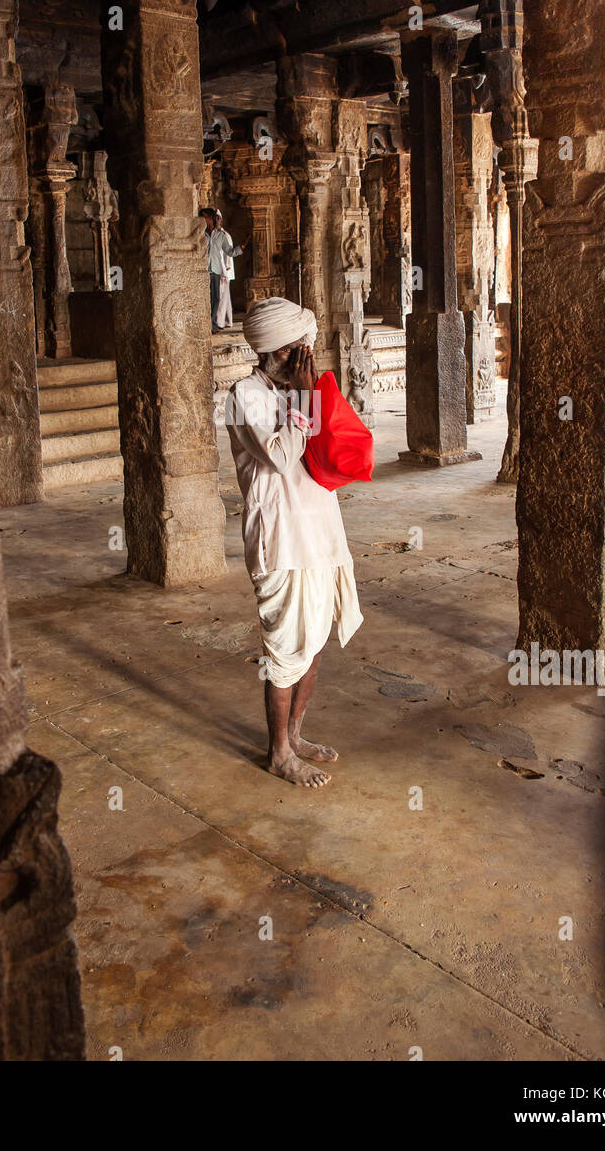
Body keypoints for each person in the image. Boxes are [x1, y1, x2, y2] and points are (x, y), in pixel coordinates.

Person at [226, 297, 363, 788]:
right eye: (300, 348)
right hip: (281, 539)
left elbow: (334, 443)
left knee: (315, 640)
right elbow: (283, 457)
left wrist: (311, 396)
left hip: (320, 529)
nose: (308, 355)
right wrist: (305, 398)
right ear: (277, 352)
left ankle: (297, 735)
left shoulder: (295, 388)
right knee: (285, 649)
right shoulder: (245, 395)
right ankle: (279, 752)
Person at [200, 208, 249, 332]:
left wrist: (242, 246)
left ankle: (212, 324)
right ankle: (208, 324)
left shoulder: (221, 236)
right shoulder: (200, 235)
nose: (203, 220)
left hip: (215, 271)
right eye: (202, 217)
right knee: (204, 299)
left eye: (205, 217)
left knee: (216, 299)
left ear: (212, 218)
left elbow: (230, 252)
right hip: (202, 271)